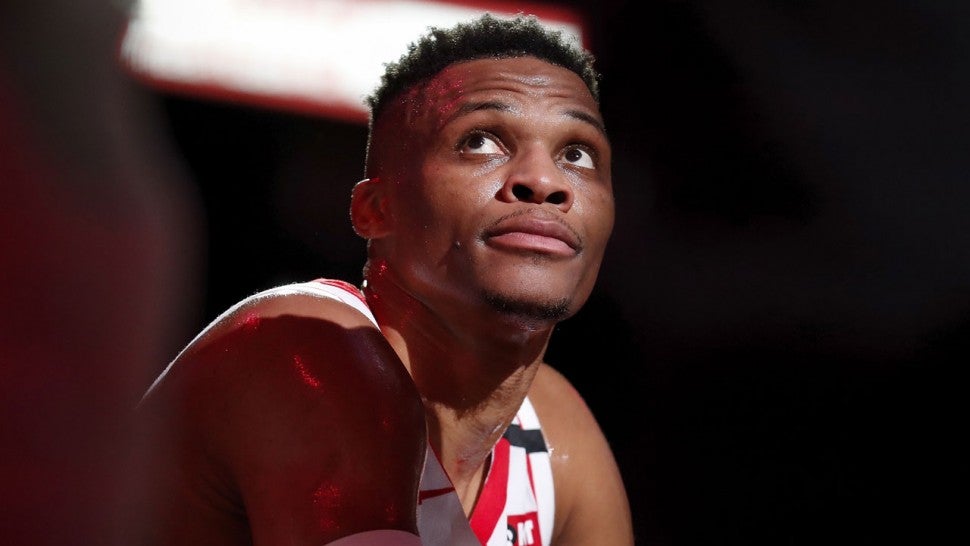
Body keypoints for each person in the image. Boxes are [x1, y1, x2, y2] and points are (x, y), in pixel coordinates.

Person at [131, 12, 633, 546]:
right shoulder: (303, 348)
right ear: (374, 209)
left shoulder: (555, 434)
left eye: (577, 154)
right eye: (481, 142)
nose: (545, 181)